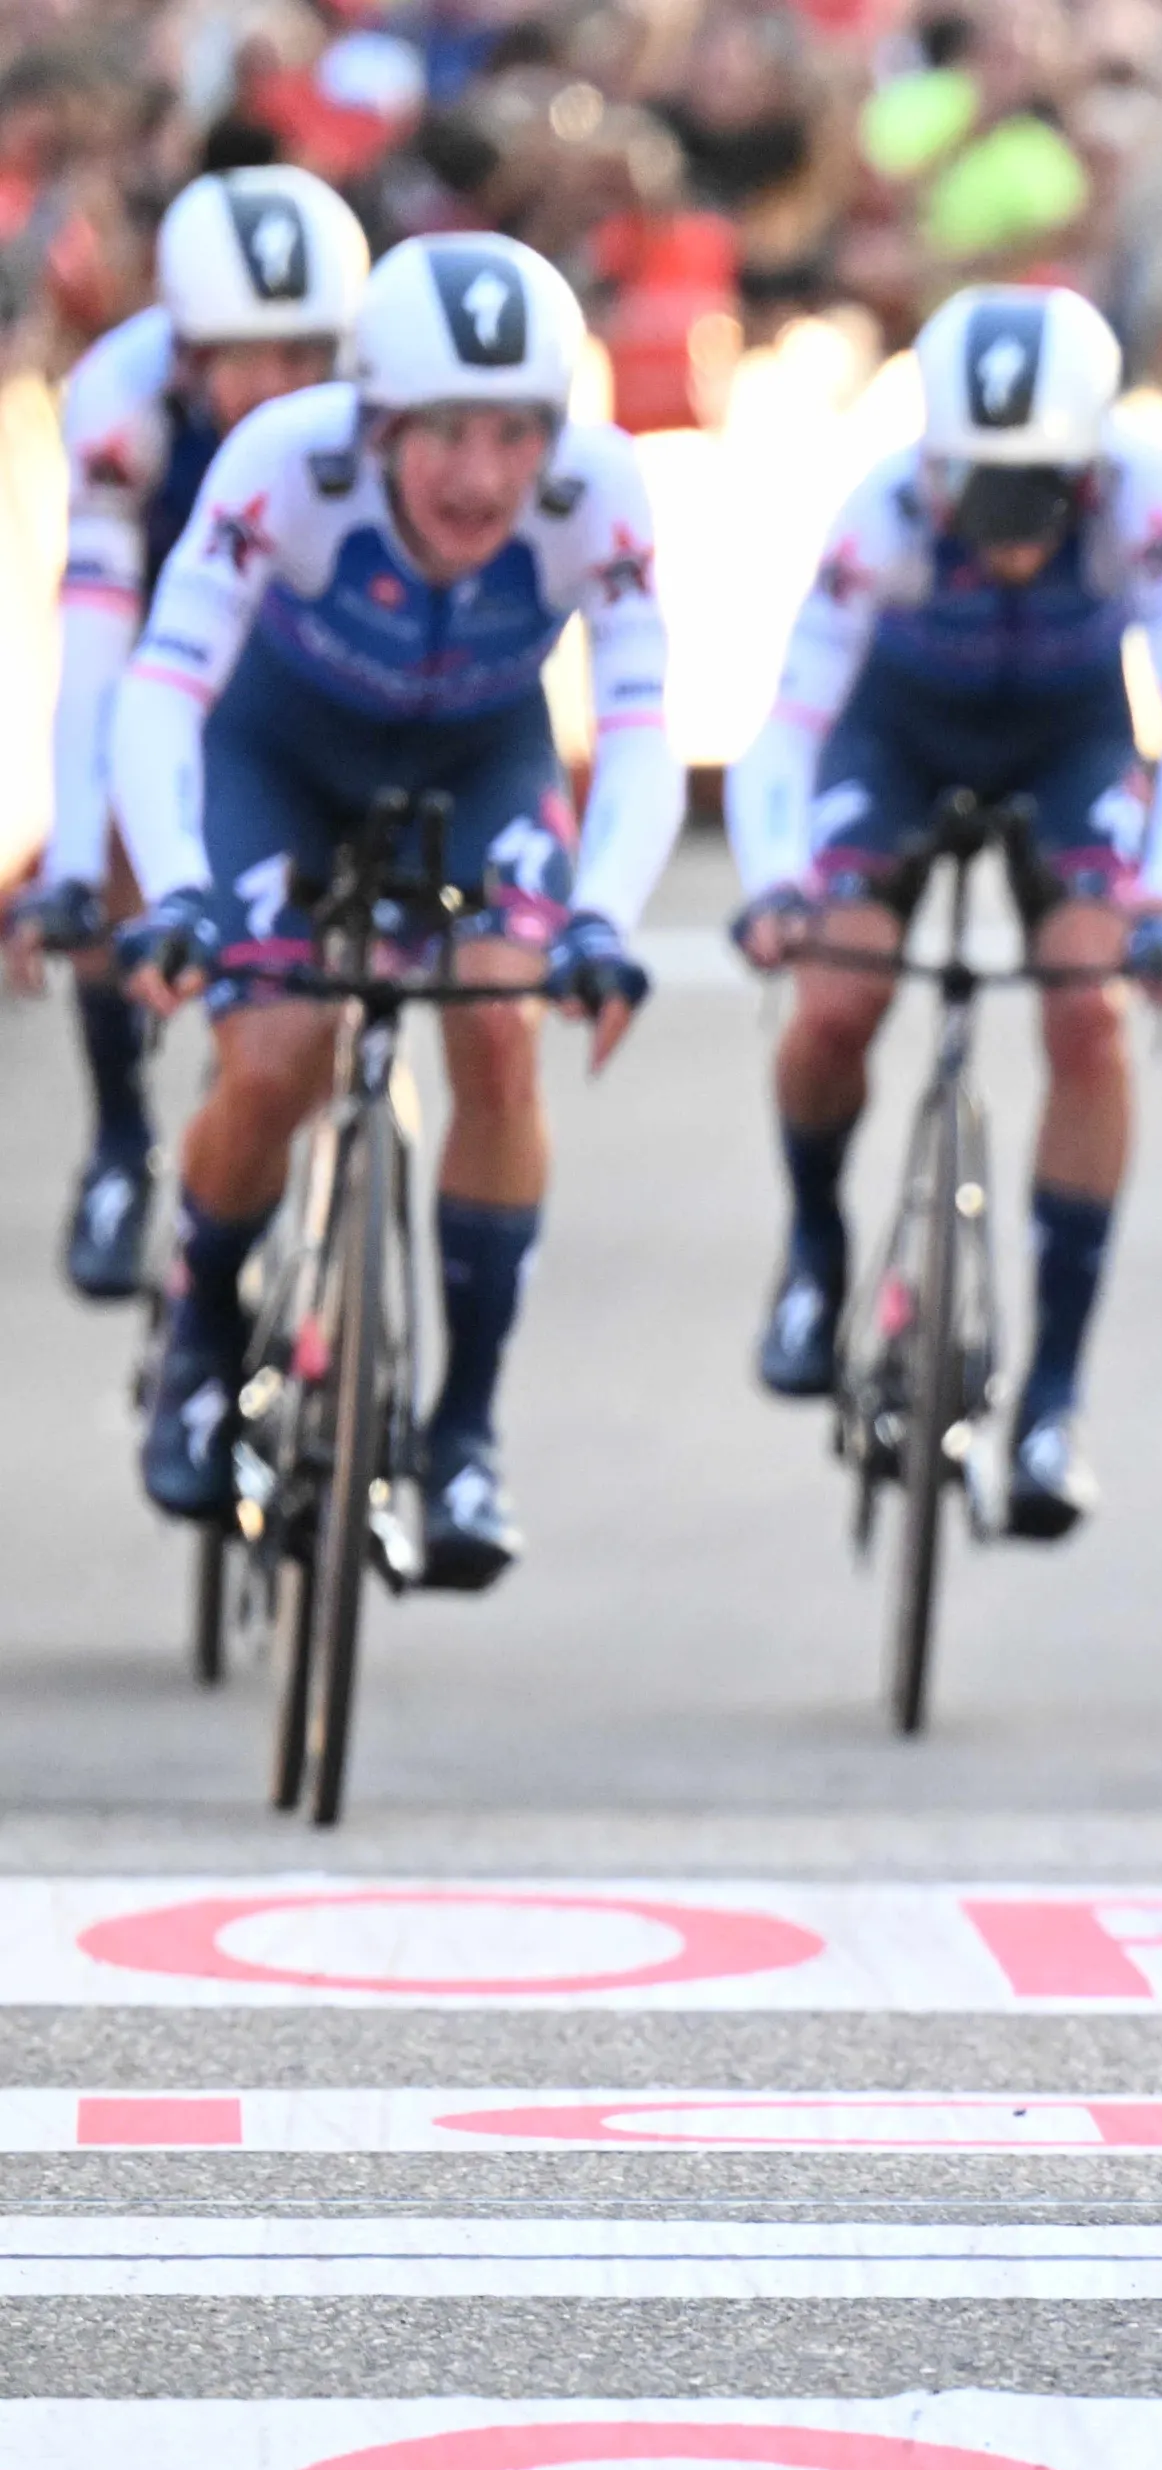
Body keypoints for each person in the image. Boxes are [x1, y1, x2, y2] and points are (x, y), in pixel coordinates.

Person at [110, 230, 680, 1586]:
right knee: (280, 1055)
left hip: (482, 763)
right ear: (375, 424)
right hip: (277, 760)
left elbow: (644, 722)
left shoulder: (599, 493)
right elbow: (163, 687)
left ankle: (465, 1430)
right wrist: (178, 884)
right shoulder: (283, 468)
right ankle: (197, 1346)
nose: (482, 478)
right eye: (443, 437)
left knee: (498, 1036)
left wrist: (601, 916)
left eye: (513, 434)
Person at [725, 283, 1162, 1538]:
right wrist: (775, 888)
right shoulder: (885, 507)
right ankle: (812, 1246)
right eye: (981, 493)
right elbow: (788, 722)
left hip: (1070, 746)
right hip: (894, 738)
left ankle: (1054, 1396)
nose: (1007, 531)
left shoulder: (1150, 492)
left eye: (1039, 496)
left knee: (1088, 1018)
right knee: (837, 994)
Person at [6, 165, 366, 1305]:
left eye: (314, 353)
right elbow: (100, 654)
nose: (290, 386)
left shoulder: (381, 390)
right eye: (256, 357)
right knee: (125, 823)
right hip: (175, 629)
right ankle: (121, 1139)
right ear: (190, 351)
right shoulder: (124, 396)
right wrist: (70, 861)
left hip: (320, 642)